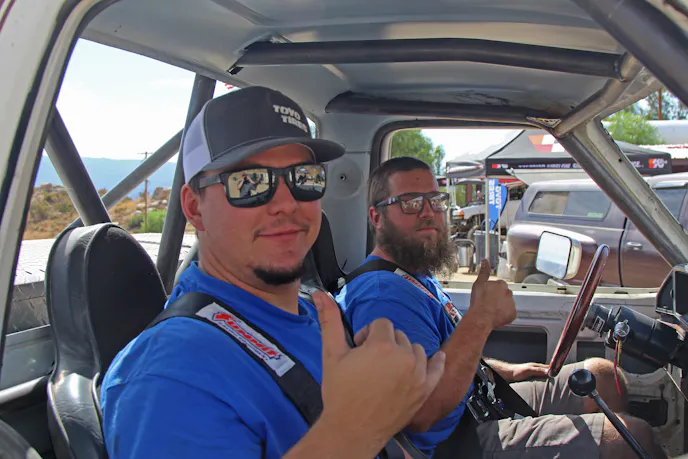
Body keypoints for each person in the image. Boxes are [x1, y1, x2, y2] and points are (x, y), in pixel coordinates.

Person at [100, 88, 446, 459]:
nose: (287, 203)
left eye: (304, 177)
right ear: (194, 208)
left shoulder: (314, 312)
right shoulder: (169, 379)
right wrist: (353, 430)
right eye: (249, 182)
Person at [337, 156, 666, 459]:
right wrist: (480, 318)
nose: (428, 212)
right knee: (630, 437)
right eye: (410, 203)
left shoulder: (413, 274)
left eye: (435, 200)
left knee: (603, 376)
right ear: (376, 217)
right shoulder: (382, 296)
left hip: (476, 402)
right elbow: (422, 414)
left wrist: (507, 371)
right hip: (456, 441)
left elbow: (442, 355)